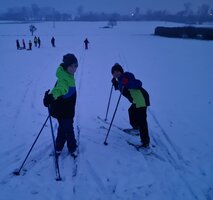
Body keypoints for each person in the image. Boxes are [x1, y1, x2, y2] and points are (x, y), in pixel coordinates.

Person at [43, 53, 78, 158]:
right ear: (66, 66)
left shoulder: (67, 75)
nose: (74, 68)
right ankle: (72, 148)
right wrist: (51, 96)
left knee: (62, 129)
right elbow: (60, 89)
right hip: (64, 111)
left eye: (75, 66)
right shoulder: (65, 79)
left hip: (66, 109)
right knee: (68, 130)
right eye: (71, 66)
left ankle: (58, 147)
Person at [111, 63, 150, 148]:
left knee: (142, 120)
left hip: (141, 99)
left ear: (121, 71)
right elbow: (121, 88)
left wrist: (127, 82)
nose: (116, 73)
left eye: (117, 71)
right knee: (131, 111)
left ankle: (145, 143)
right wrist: (115, 84)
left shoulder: (127, 76)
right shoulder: (120, 80)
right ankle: (136, 128)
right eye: (114, 72)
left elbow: (138, 83)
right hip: (136, 101)